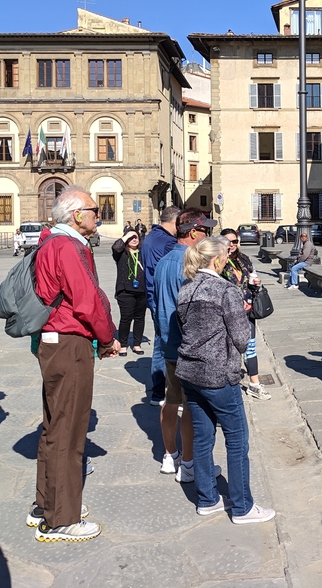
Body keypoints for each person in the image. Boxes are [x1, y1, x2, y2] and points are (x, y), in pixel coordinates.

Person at [30, 186, 120, 543]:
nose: (98, 216)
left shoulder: (52, 241)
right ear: (77, 214)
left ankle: (48, 502)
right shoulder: (67, 246)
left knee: (55, 424)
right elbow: (85, 299)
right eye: (94, 210)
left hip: (56, 341)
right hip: (69, 341)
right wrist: (108, 336)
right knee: (69, 428)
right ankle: (61, 517)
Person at [175, 236, 276, 524]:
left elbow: (183, 325)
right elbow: (243, 339)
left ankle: (207, 499)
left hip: (190, 371)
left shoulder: (187, 288)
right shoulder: (224, 290)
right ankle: (243, 505)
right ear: (218, 260)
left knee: (203, 437)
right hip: (219, 373)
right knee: (236, 439)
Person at [154, 209, 218, 482]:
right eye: (206, 232)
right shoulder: (190, 264)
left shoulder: (163, 261)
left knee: (170, 400)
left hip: (167, 342)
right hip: (188, 345)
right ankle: (190, 464)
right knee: (191, 405)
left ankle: (170, 456)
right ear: (193, 233)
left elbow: (156, 303)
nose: (209, 236)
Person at [220, 228, 270, 400]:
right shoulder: (217, 261)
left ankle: (254, 384)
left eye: (235, 241)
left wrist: (256, 283)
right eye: (228, 242)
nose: (232, 245)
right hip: (227, 312)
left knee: (250, 346)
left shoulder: (243, 259)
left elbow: (252, 277)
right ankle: (226, 386)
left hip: (247, 309)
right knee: (228, 349)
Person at [141, 205, 181, 406]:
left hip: (152, 297)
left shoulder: (149, 238)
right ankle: (168, 391)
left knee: (160, 343)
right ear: (174, 222)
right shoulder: (168, 242)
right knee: (166, 344)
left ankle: (157, 392)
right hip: (164, 298)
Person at [112, 229, 147, 357]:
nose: (134, 239)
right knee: (126, 318)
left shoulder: (143, 253)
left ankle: (137, 344)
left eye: (136, 237)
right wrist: (127, 235)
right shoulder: (121, 254)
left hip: (142, 290)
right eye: (131, 237)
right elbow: (116, 247)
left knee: (140, 318)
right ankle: (124, 344)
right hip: (125, 291)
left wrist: (139, 237)